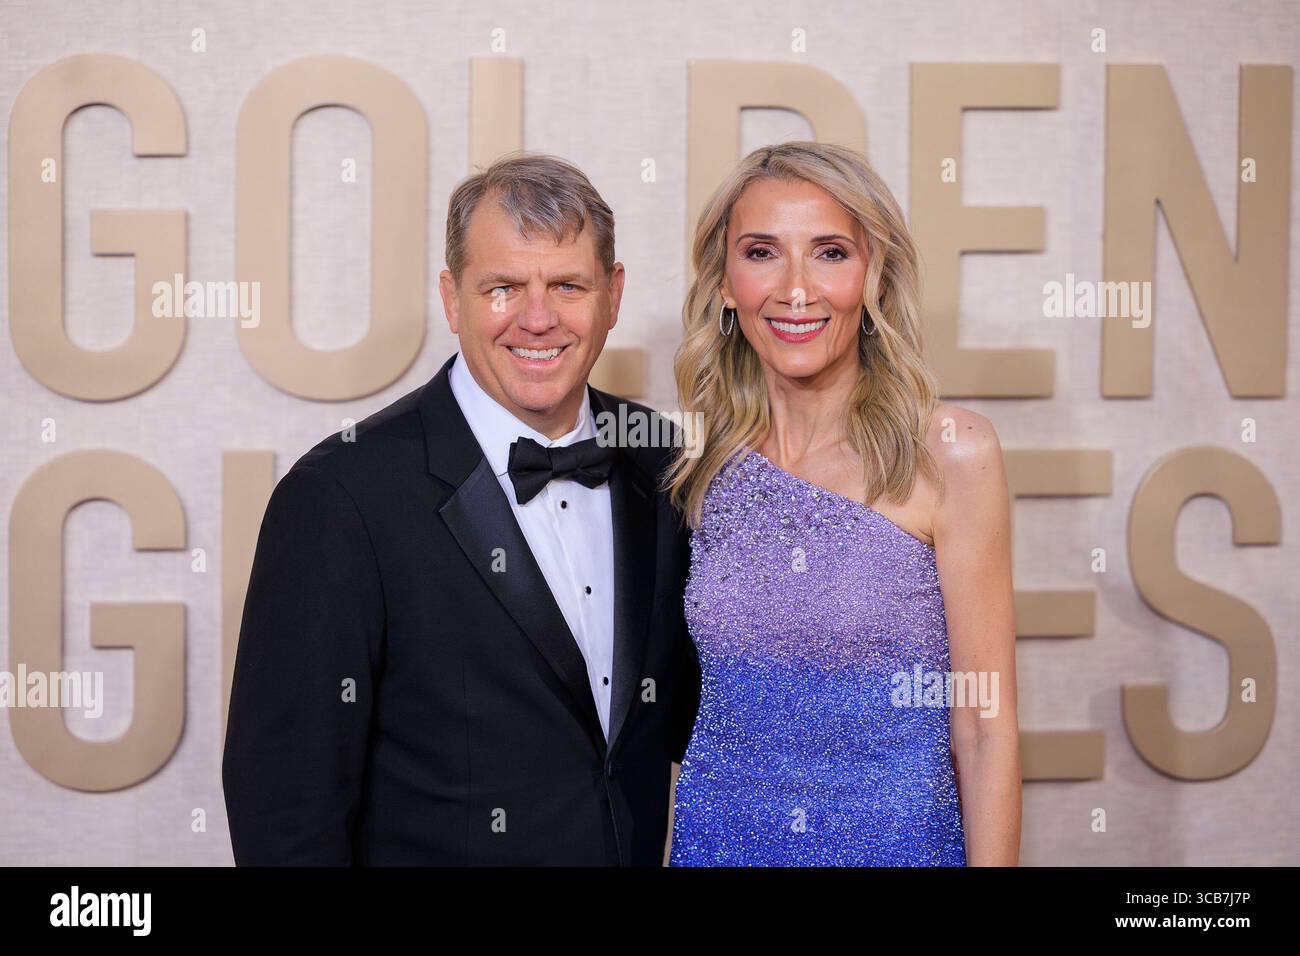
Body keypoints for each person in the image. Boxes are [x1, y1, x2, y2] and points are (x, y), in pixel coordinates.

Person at [222, 152, 700, 865]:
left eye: (567, 284)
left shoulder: (667, 463)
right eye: (503, 287)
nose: (537, 319)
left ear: (613, 295)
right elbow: (286, 810)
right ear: (452, 299)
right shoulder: (340, 496)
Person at [664, 141, 1021, 866]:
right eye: (762, 252)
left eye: (830, 253)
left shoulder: (951, 452)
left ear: (875, 278)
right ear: (726, 282)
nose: (796, 290)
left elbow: (985, 727)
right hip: (721, 847)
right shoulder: (698, 463)